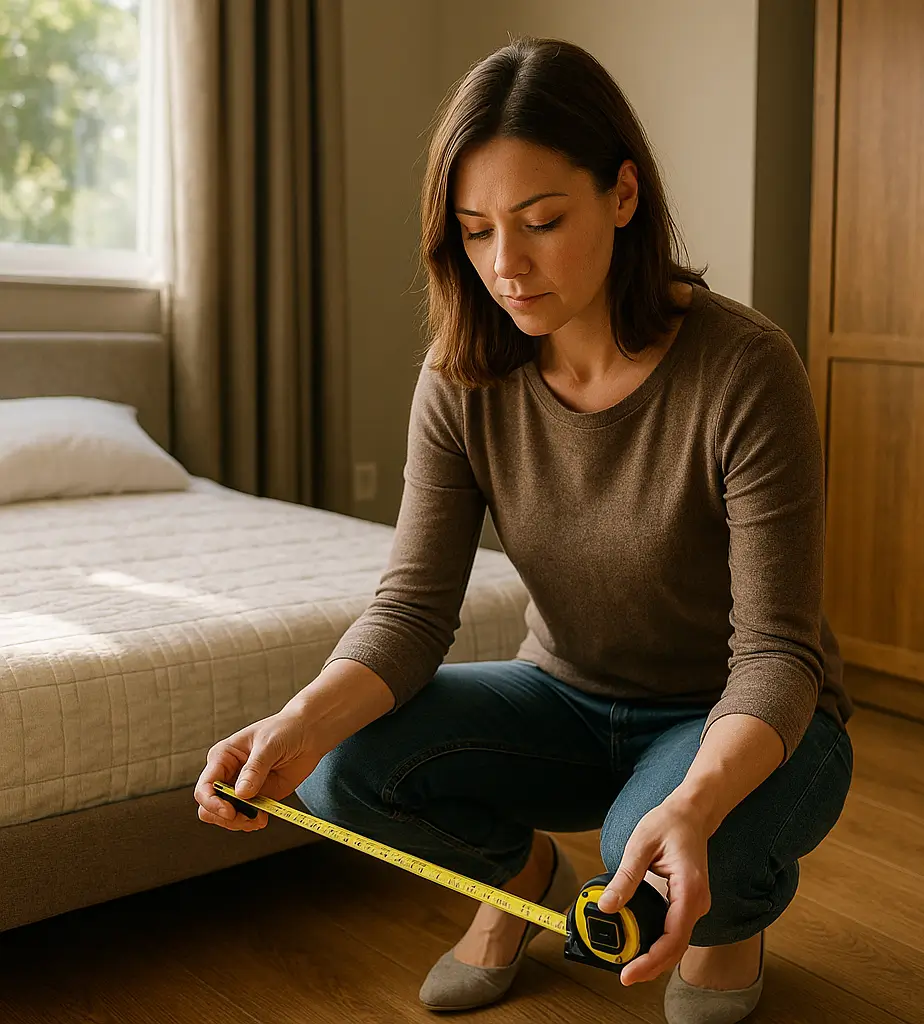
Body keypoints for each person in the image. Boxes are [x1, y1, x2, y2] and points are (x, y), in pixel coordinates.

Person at [194, 35, 854, 1024]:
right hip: (565, 699)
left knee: (683, 845)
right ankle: (524, 884)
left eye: (541, 221)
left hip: (737, 715)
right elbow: (414, 608)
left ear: (622, 196)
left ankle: (727, 915)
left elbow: (774, 651)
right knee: (342, 767)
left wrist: (693, 797)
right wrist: (299, 721)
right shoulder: (461, 375)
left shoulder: (743, 367)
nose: (506, 265)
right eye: (474, 231)